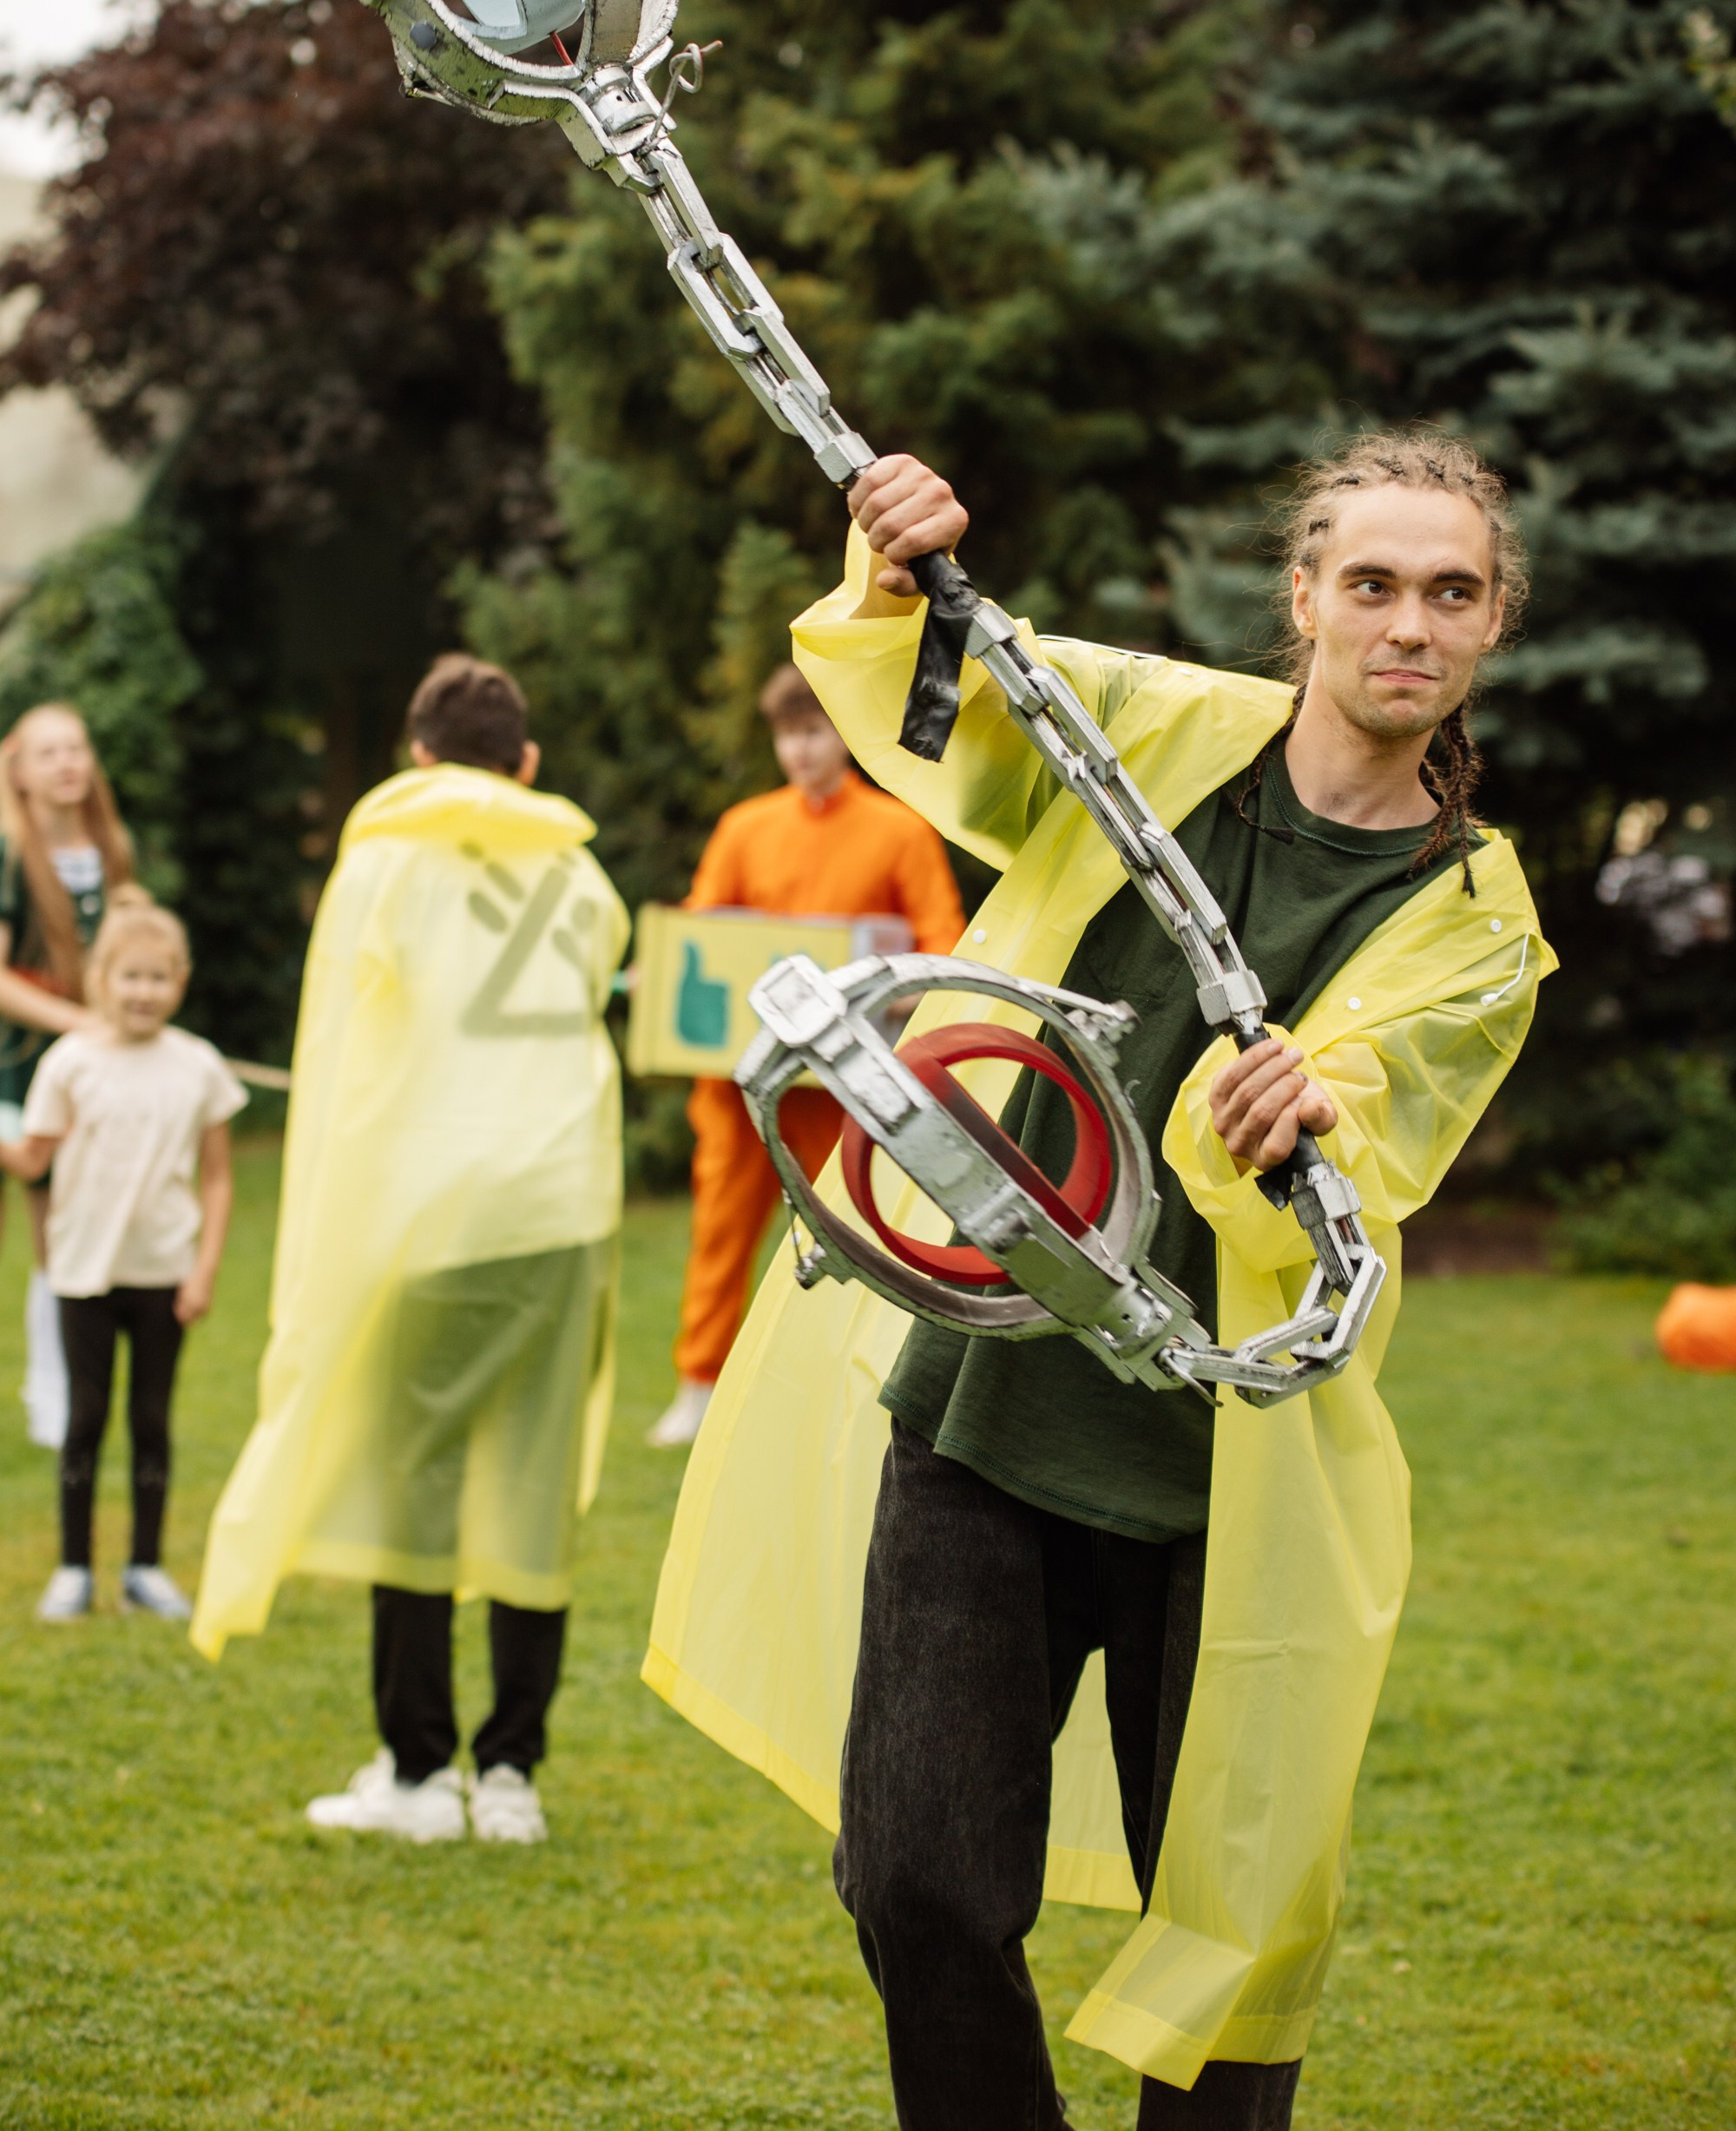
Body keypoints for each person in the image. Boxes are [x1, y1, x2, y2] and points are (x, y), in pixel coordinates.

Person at [645, 431, 1556, 2127]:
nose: (1405, 624)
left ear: (1491, 624)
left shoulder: (1479, 921)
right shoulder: (1158, 732)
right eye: (1370, 583)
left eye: (1450, 592)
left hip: (1229, 1476)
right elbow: (972, 718)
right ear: (1304, 601)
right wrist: (899, 566)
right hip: (995, 1402)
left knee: (1226, 1956)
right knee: (913, 1881)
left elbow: (1379, 1119)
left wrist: (1307, 1107)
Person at [193, 654, 628, 1849]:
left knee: (418, 1481)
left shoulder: (381, 863)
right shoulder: (585, 879)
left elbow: (341, 1044)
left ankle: (421, 1771)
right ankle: (515, 1777)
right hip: (567, 1202)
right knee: (535, 1480)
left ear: (415, 756)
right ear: (527, 764)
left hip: (440, 1203)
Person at [648, 661, 964, 1449]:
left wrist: (865, 986)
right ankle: (698, 1382)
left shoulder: (899, 828)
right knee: (721, 1229)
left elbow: (943, 949)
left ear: (844, 735)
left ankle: (842, 1385)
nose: (801, 751)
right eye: (788, 736)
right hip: (743, 1083)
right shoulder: (744, 828)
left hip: (850, 1083)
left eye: (814, 731)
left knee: (857, 1232)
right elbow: (703, 936)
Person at [0, 899, 245, 1623]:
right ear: (101, 977)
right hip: (83, 1272)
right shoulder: (69, 1064)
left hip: (164, 1273)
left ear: (181, 980)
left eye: (157, 977)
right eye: (128, 976)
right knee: (86, 1418)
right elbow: (32, 1160)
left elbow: (220, 1177)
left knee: (151, 1420)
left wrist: (203, 1271)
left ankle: (146, 1567)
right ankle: (74, 1570)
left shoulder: (199, 1066)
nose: (142, 991)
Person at [0, 705, 136, 1450]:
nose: (65, 764)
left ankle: (53, 1393)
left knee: (60, 1230)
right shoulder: (9, 854)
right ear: (19, 770)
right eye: (47, 752)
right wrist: (80, 1022)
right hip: (14, 1070)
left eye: (76, 748)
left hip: (82, 1077)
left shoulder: (112, 847)